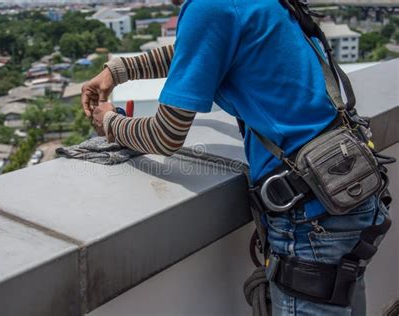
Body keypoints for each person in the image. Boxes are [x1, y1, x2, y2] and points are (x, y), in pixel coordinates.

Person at [82, 0, 390, 315]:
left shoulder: (209, 6)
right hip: (345, 186)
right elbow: (202, 49)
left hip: (310, 215)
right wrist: (120, 70)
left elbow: (166, 135)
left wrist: (108, 121)